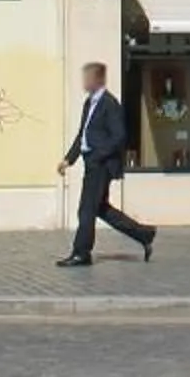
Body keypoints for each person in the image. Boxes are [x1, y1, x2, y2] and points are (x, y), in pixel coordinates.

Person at [57, 62, 155, 267]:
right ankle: (144, 234)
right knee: (100, 208)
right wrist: (69, 159)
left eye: (88, 77)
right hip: (91, 163)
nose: (85, 81)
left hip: (101, 165)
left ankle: (81, 253)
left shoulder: (110, 104)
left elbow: (118, 137)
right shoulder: (89, 103)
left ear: (98, 79)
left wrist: (97, 155)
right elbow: (82, 134)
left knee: (86, 209)